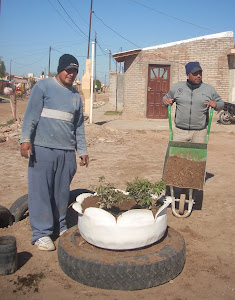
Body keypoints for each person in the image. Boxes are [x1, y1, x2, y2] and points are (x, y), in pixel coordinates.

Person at [20, 54, 89, 251]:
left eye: (75, 70)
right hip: (43, 149)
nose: (71, 74)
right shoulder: (43, 87)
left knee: (61, 193)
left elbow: (78, 127)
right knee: (40, 191)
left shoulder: (76, 96)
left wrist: (82, 150)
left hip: (66, 151)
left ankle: (60, 226)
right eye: (68, 70)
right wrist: (25, 139)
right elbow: (31, 115)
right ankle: (41, 233)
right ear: (60, 69)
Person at [163, 61, 224, 143]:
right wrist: (166, 101)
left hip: (200, 133)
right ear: (188, 75)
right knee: (177, 155)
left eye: (200, 73)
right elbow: (166, 98)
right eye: (195, 73)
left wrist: (216, 104)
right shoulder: (177, 87)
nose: (198, 76)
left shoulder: (209, 89)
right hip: (180, 132)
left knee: (198, 156)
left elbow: (221, 103)